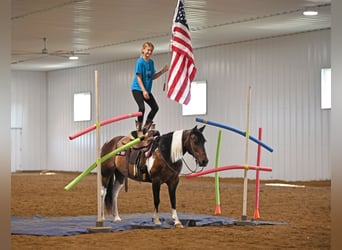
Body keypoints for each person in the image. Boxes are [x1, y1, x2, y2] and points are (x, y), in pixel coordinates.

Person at [131, 41, 168, 133]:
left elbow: (152, 77)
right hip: (137, 89)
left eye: (151, 51)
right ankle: (139, 127)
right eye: (148, 50)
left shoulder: (151, 63)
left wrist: (163, 71)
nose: (149, 52)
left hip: (146, 90)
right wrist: (144, 91)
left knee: (155, 107)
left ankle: (146, 125)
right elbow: (139, 78)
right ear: (143, 50)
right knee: (142, 108)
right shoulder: (140, 62)